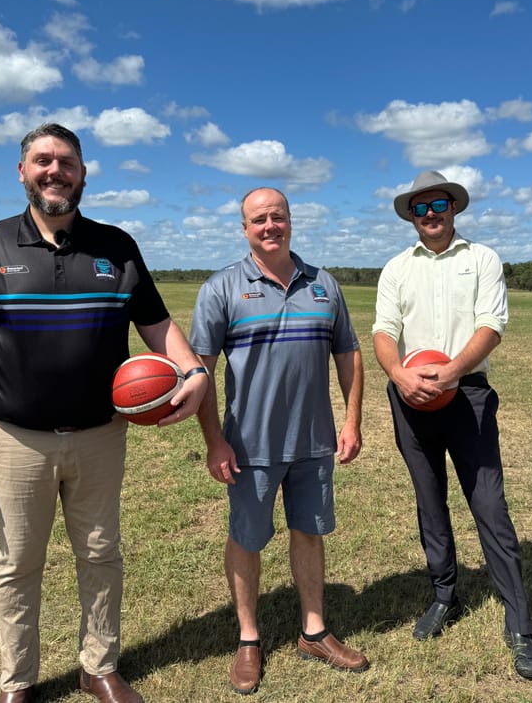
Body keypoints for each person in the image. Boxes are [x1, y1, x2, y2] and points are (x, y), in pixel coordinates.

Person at [0, 123, 209, 703]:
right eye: (42, 160)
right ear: (22, 170)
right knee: (19, 561)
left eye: (67, 162)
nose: (55, 171)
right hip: (16, 439)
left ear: (83, 172)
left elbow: (155, 323)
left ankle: (98, 666)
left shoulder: (117, 246)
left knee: (101, 553)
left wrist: (194, 369)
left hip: (102, 434)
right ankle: (18, 682)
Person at [189, 187, 368, 695]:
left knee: (309, 532)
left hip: (314, 443)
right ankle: (249, 639)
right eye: (258, 219)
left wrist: (351, 421)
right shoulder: (222, 288)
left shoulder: (323, 285)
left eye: (278, 216)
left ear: (291, 222)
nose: (270, 225)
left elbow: (348, 354)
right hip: (250, 447)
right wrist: (214, 442)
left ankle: (314, 630)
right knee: (247, 538)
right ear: (244, 228)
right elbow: (200, 370)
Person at [372, 170, 532, 680]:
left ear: (454, 208)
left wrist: (452, 372)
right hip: (410, 397)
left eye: (439, 204)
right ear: (411, 215)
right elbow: (384, 331)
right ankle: (444, 596)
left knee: (489, 505)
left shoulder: (482, 259)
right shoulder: (396, 268)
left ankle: (520, 626)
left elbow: (492, 325)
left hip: (466, 395)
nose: (430, 215)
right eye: (420, 208)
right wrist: (401, 375)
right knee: (430, 501)